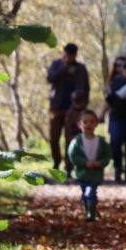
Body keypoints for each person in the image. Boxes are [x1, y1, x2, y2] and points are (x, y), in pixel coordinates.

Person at [46, 43, 90, 171]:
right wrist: (63, 67)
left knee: (70, 138)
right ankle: (56, 162)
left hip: (74, 109)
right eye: (65, 54)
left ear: (75, 55)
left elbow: (85, 88)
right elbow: (50, 78)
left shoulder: (80, 68)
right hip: (56, 107)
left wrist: (82, 106)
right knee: (54, 138)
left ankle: (69, 167)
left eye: (70, 55)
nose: (68, 57)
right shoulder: (56, 64)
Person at [67, 109, 112, 222]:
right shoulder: (77, 141)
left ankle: (90, 215)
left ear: (96, 124)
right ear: (80, 124)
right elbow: (73, 155)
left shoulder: (101, 142)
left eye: (92, 122)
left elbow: (107, 156)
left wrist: (100, 163)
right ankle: (89, 210)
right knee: (85, 194)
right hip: (82, 174)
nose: (89, 124)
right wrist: (84, 163)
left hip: (96, 174)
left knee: (90, 192)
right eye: (85, 122)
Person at [62, 91, 88, 177]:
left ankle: (82, 170)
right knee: (69, 152)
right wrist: (68, 136)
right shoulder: (70, 112)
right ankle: (68, 168)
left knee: (83, 153)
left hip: (83, 136)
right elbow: (67, 127)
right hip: (71, 136)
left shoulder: (86, 112)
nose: (78, 105)